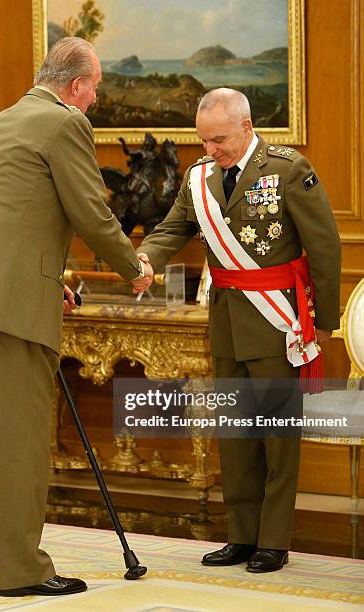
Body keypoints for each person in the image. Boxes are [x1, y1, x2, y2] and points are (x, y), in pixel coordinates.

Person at [0, 37, 152, 597]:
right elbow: (90, 212)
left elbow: (19, 212)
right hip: (10, 303)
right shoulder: (65, 123)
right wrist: (135, 269)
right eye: (95, 88)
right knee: (21, 438)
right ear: (76, 85)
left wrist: (52, 282)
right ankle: (24, 570)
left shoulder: (6, 117)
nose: (96, 98)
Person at [137, 88, 341, 573]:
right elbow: (173, 229)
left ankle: (273, 540)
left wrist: (325, 323)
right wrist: (145, 258)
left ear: (247, 128)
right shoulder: (199, 178)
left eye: (220, 140)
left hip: (277, 320)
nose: (211, 151)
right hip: (226, 320)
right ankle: (241, 536)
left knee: (275, 436)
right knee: (235, 434)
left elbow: (326, 246)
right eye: (204, 141)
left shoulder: (288, 170)